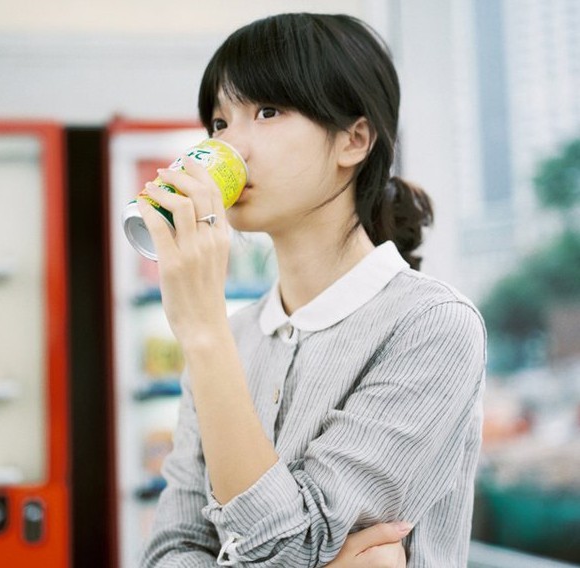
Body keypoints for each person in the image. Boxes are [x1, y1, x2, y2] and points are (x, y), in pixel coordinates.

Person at [136, 12, 486, 567]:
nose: (231, 147)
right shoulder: (230, 338)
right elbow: (167, 553)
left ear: (354, 139)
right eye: (220, 124)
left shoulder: (431, 325)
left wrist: (202, 331)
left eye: (268, 112)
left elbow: (289, 549)